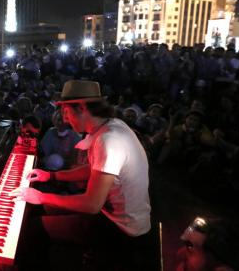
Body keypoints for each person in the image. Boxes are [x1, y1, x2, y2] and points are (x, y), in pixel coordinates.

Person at [10, 80, 152, 268]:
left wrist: (42, 196)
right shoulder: (113, 125)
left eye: (67, 112)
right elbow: (94, 169)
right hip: (119, 218)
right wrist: (51, 176)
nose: (66, 119)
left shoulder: (109, 141)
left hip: (121, 229)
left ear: (82, 108)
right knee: (34, 209)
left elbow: (92, 205)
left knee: (33, 228)